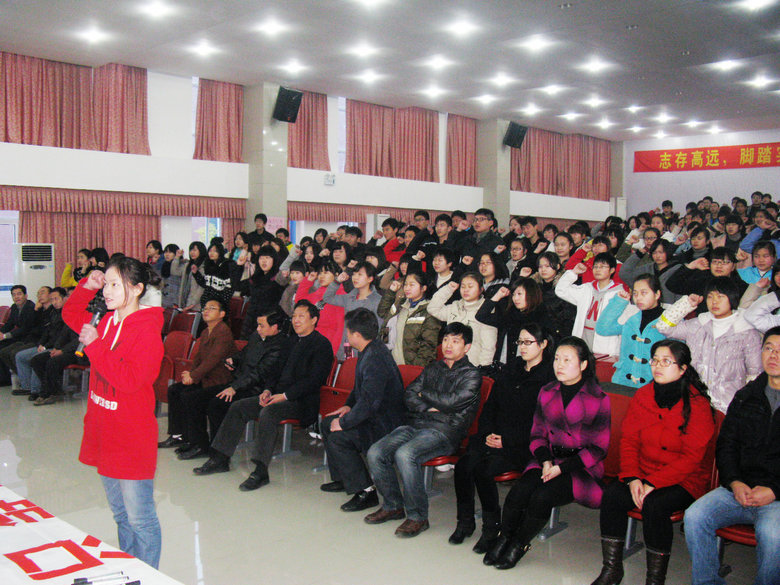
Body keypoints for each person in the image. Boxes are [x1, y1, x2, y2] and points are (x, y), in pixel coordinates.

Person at [61, 257, 164, 568]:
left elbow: (131, 381)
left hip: (131, 436)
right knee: (120, 514)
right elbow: (70, 313)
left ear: (137, 289)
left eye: (115, 284)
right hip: (104, 430)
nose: (106, 291)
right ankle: (129, 569)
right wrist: (86, 286)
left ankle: (147, 576)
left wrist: (95, 346)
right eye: (105, 284)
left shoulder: (147, 331)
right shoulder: (106, 322)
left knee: (140, 518)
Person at [591, 340, 715, 585]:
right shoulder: (644, 394)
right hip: (642, 471)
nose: (658, 366)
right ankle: (612, 569)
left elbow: (692, 458)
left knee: (655, 505)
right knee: (612, 495)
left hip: (683, 479)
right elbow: (629, 440)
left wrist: (652, 483)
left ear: (683, 368)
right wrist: (632, 477)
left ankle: (655, 579)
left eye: (666, 361)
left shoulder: (698, 404)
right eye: (655, 360)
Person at [484, 337, 610, 570]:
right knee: (519, 491)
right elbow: (537, 433)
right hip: (548, 458)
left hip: (580, 466)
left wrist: (561, 468)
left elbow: (598, 448)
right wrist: (545, 461)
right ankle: (504, 538)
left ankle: (519, 544)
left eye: (567, 360)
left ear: (583, 365)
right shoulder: (548, 391)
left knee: (541, 497)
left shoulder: (598, 399)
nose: (559, 365)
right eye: (557, 359)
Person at [193, 300, 333, 490]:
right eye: (294, 316)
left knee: (269, 413)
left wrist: (284, 395)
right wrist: (267, 389)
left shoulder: (322, 345)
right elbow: (275, 371)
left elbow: (314, 381)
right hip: (275, 396)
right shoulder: (290, 341)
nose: (296, 320)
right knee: (239, 407)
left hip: (301, 402)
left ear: (314, 320)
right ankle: (220, 458)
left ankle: (260, 471)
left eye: (301, 316)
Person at [365, 322, 482, 538]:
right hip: (416, 424)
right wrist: (430, 406)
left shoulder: (472, 375)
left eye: (455, 341)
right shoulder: (432, 368)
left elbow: (452, 402)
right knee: (376, 452)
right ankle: (393, 505)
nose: (448, 345)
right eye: (445, 340)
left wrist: (425, 395)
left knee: (405, 454)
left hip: (445, 431)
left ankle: (418, 517)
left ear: (467, 347)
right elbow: (409, 394)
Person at [684, 325, 780, 585]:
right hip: (738, 489)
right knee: (695, 517)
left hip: (776, 496)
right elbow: (726, 445)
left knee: (773, 535)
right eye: (769, 348)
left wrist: (774, 490)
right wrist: (735, 482)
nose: (774, 355)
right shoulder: (745, 396)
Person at [450, 324, 555, 552]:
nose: (522, 347)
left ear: (543, 344)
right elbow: (491, 406)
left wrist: (506, 439)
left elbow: (542, 424)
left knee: (484, 470)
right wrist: (488, 433)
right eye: (520, 342)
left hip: (522, 444)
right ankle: (465, 521)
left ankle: (491, 527)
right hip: (493, 435)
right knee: (464, 466)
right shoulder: (511, 369)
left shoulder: (549, 378)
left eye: (528, 342)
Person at [320, 308, 405, 512]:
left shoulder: (375, 358)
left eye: (348, 332)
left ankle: (366, 491)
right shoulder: (368, 349)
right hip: (373, 415)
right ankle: (344, 478)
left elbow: (369, 403)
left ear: (356, 335)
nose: (346, 335)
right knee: (326, 424)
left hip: (384, 424)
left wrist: (344, 423)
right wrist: (348, 405)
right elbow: (360, 390)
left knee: (339, 437)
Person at [656, 277, 762, 413]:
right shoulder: (698, 324)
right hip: (694, 402)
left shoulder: (747, 332)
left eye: (720, 297)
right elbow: (663, 326)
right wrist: (686, 304)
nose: (714, 301)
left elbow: (755, 373)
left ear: (732, 298)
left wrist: (744, 404)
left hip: (729, 407)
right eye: (710, 296)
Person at [157, 299, 236, 452]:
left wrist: (193, 376)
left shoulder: (224, 332)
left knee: (190, 396)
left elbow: (213, 359)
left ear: (222, 314)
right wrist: (190, 374)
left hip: (218, 380)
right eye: (205, 308)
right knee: (174, 390)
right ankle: (178, 435)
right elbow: (199, 358)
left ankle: (199, 443)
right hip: (204, 376)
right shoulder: (206, 332)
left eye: (212, 308)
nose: (206, 311)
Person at [595, 274, 666, 391]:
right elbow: (603, 328)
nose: (638, 298)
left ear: (657, 294)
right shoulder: (630, 316)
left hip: (652, 386)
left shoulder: (670, 321)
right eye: (635, 293)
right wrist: (618, 302)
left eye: (644, 293)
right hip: (622, 382)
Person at [555, 253, 626, 355]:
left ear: (612, 270)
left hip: (606, 344)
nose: (598, 269)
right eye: (595, 266)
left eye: (602, 267)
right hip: (583, 337)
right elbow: (561, 290)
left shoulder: (619, 293)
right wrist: (573, 272)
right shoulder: (587, 288)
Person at [427, 272, 498, 368]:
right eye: (463, 286)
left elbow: (488, 345)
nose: (466, 290)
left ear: (481, 289)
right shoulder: (455, 306)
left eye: (470, 286)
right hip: (451, 363)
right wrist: (448, 289)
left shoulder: (486, 310)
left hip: (472, 365)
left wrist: (483, 367)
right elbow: (433, 308)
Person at [475, 277, 549, 365]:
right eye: (513, 294)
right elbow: (481, 316)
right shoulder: (509, 315)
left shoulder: (541, 317)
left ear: (531, 294)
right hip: (504, 365)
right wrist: (497, 296)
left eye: (519, 294)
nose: (515, 298)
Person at [378, 272, 442, 367]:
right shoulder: (401, 305)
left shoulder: (429, 311)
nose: (407, 288)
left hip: (411, 367)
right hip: (391, 364)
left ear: (423, 288)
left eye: (412, 285)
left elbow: (429, 346)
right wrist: (391, 292)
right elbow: (382, 312)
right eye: (405, 284)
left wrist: (415, 368)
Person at [323, 261, 383, 360]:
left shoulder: (377, 301)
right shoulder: (350, 297)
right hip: (346, 346)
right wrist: (337, 281)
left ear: (370, 278)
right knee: (346, 366)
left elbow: (378, 329)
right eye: (354, 274)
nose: (355, 277)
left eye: (360, 274)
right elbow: (327, 298)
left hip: (365, 351)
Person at [0, 285, 37, 386]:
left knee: (8, 352)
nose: (17, 297)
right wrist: (1, 332)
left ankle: (25, 378)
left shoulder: (30, 308)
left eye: (19, 294)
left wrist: (5, 336)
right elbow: (9, 324)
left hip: (29, 338)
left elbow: (25, 328)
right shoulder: (14, 307)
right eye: (14, 295)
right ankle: (5, 378)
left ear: (26, 295)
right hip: (19, 337)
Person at [179, 242, 207, 311]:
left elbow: (201, 288)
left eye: (195, 250)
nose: (192, 252)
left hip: (197, 304)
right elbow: (174, 271)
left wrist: (193, 303)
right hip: (186, 300)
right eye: (191, 250)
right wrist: (177, 258)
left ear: (201, 251)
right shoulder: (188, 264)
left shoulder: (204, 266)